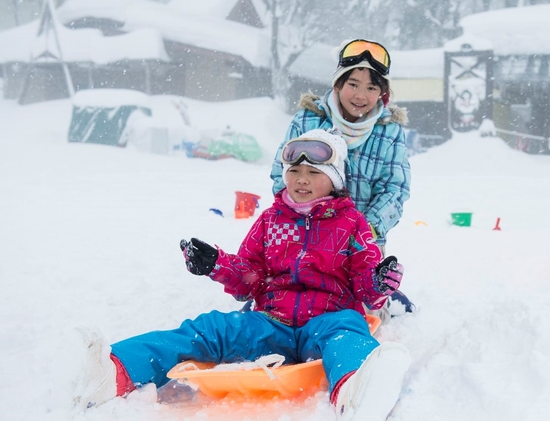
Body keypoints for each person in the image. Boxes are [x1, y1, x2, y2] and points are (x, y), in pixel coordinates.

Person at [73, 130, 411, 421]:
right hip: (271, 321)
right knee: (209, 329)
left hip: (329, 319)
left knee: (348, 337)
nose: (301, 179)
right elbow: (250, 278)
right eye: (294, 170)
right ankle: (117, 369)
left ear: (335, 180)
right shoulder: (270, 221)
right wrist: (216, 265)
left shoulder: (352, 224)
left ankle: (356, 389)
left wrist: (380, 282)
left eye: (313, 171)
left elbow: (367, 290)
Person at [270, 39, 416, 316]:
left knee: (358, 307)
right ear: (337, 84)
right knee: (294, 299)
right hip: (307, 233)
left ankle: (373, 300)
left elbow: (394, 188)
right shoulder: (308, 120)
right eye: (353, 84)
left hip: (362, 239)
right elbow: (282, 171)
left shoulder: (389, 130)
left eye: (372, 87)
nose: (360, 95)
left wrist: (363, 229)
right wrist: (304, 217)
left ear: (382, 93)